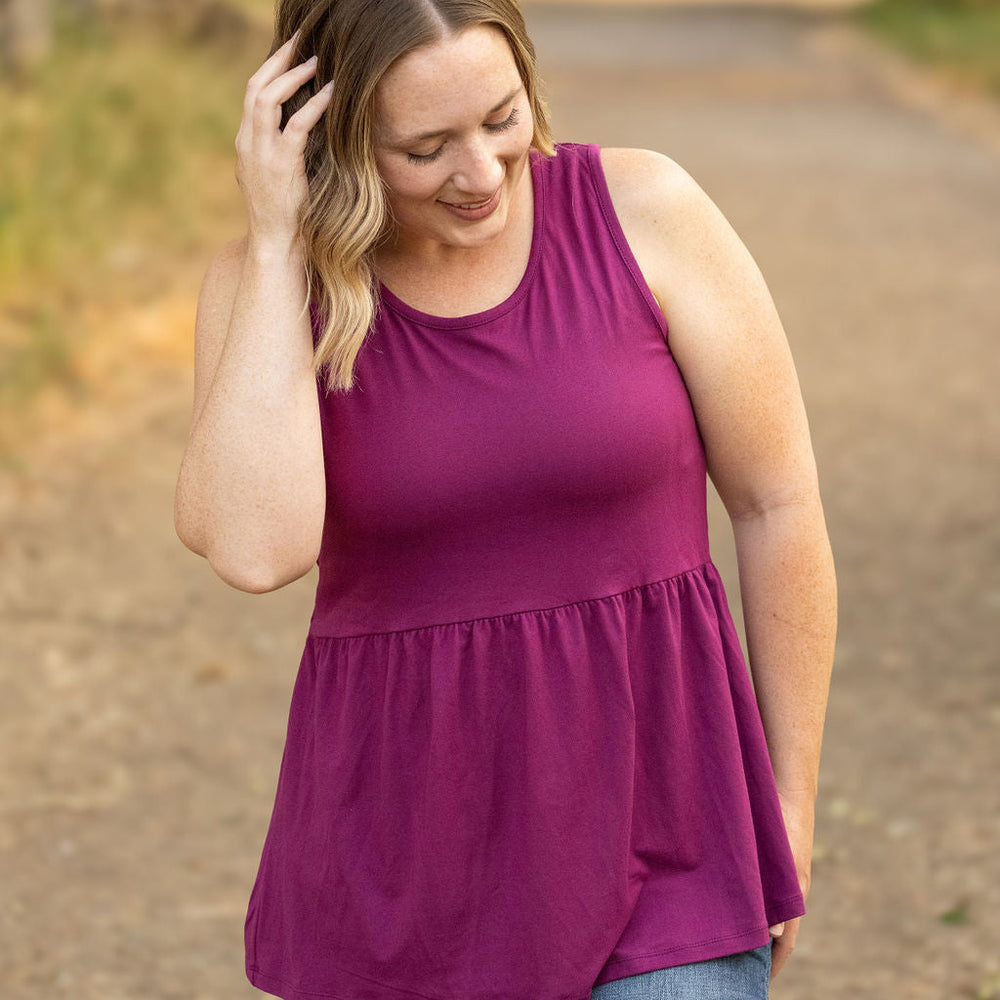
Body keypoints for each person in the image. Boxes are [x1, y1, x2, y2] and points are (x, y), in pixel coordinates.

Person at [173, 1, 837, 998]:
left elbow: (776, 503)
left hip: (669, 834)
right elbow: (254, 549)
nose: (480, 173)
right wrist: (276, 244)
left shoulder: (645, 209)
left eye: (499, 118)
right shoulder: (271, 290)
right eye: (425, 147)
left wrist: (790, 803)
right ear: (334, 137)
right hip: (399, 872)